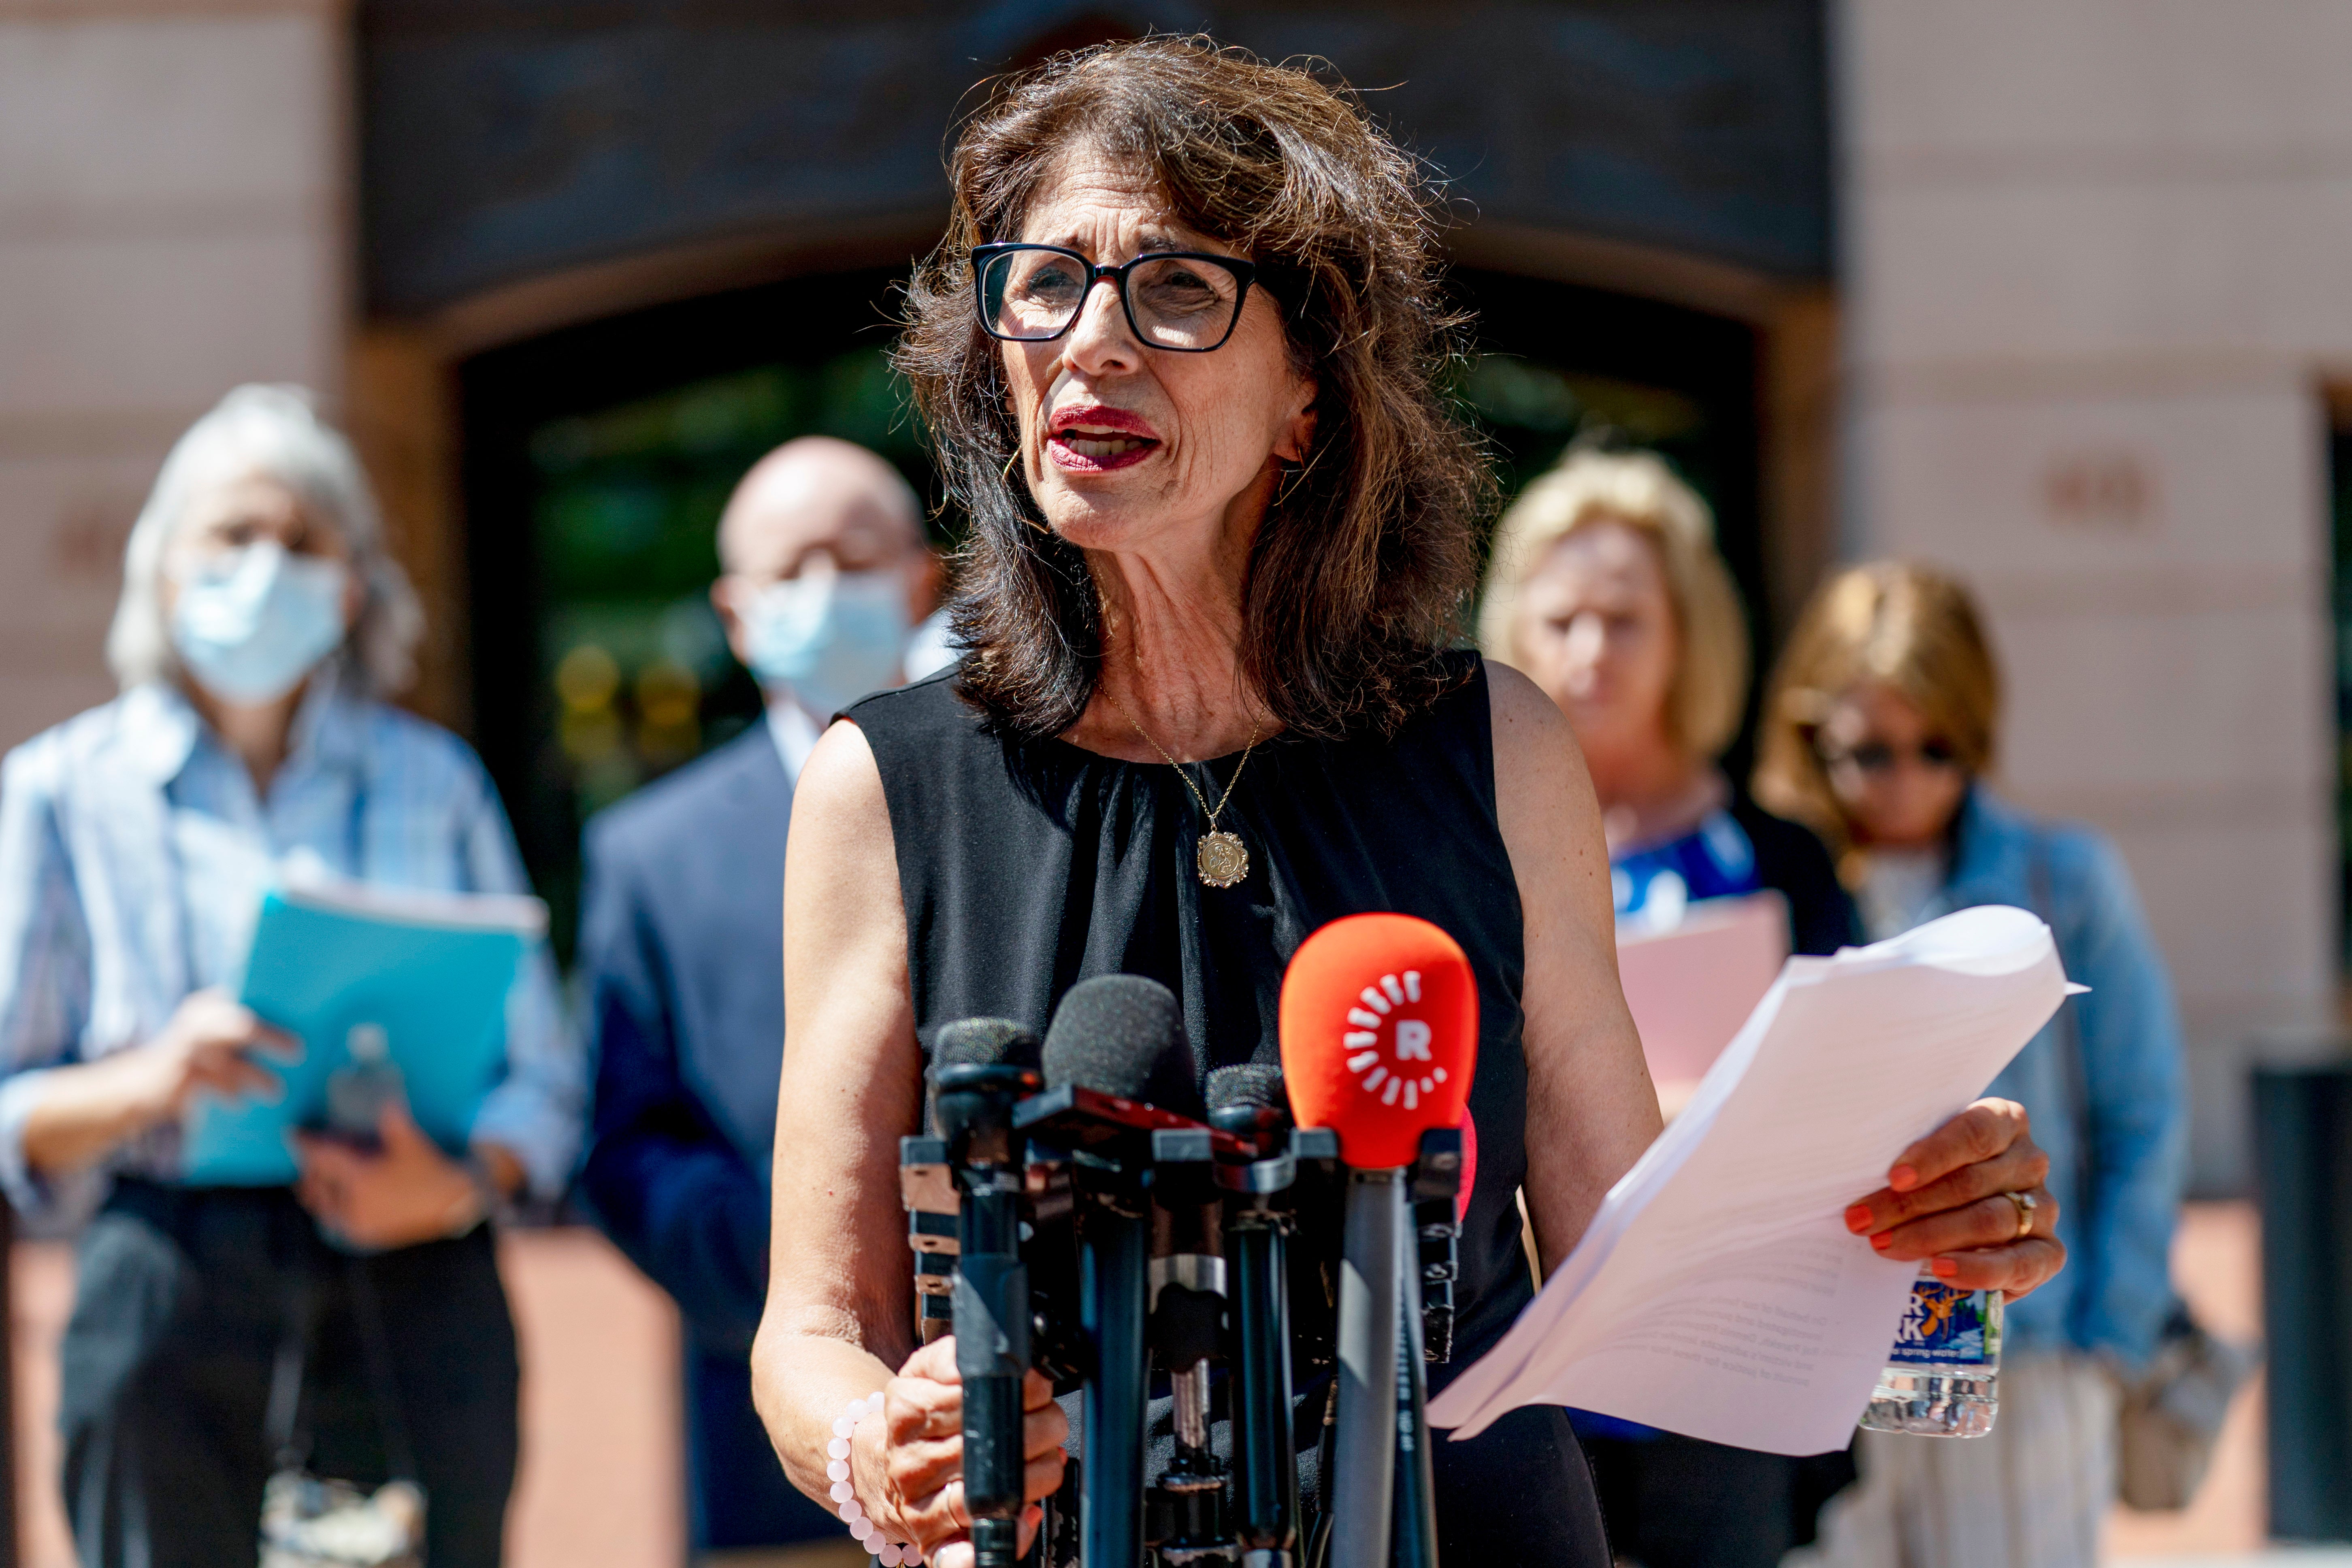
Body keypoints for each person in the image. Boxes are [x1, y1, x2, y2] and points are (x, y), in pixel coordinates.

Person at [749, 38, 2065, 1568]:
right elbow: (809, 1331)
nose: (1090, 343)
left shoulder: (1495, 747)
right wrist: (873, 1441)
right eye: (1041, 284)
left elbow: (1631, 1267)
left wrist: (1908, 1232)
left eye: (1174, 291)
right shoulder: (883, 787)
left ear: (1306, 398)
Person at [0, 385, 580, 1566]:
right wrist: (147, 1080)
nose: (266, 567)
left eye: (301, 541)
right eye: (231, 535)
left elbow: (546, 1080)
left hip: (415, 1275)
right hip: (163, 1280)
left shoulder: (438, 783)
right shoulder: (60, 792)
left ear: (354, 585)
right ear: (162, 571)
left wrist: (465, 1182)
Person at [1754, 562, 2188, 1568]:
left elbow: (2143, 1112)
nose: (1903, 775)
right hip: (1823, 1361)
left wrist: (2104, 1346)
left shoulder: (2063, 880)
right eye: (1869, 749)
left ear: (1977, 730)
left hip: (2017, 1356)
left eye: (1936, 746)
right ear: (1813, 730)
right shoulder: (1774, 878)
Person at [1478, 447, 1858, 1567]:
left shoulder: (1782, 858)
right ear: (1513, 632)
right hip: (1530, 1359)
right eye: (1562, 619)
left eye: (1626, 619)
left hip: (1729, 1359)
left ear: (1688, 632)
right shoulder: (1470, 851)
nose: (1590, 652)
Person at [576, 435, 937, 1553]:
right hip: (759, 1438)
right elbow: (624, 1144)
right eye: (791, 570)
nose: (825, 594)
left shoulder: (1027, 792)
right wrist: (793, 1281)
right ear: (736, 615)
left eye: (855, 556)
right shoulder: (651, 852)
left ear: (923, 583)